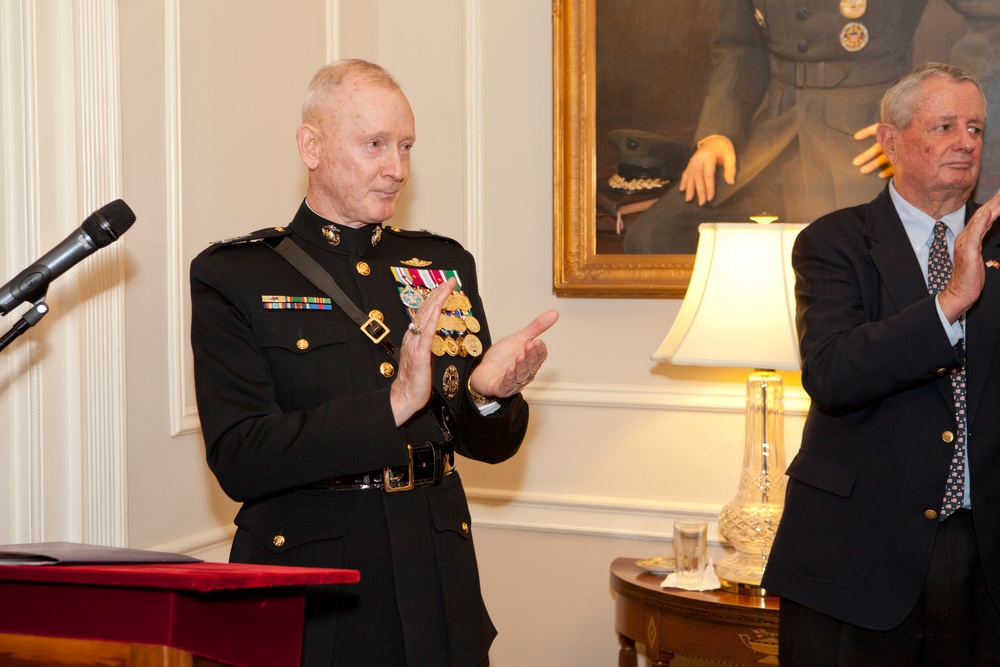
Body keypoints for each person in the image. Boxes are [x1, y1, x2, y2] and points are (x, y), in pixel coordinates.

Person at [189, 59, 558, 666]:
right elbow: (241, 459)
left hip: (436, 569)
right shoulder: (237, 274)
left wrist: (488, 397)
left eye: (406, 145)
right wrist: (392, 406)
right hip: (318, 580)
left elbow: (485, 446)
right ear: (311, 146)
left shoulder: (439, 264)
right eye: (374, 144)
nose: (397, 168)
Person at [760, 63, 1000, 665]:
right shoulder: (833, 243)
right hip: (857, 559)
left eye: (975, 127)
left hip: (983, 556)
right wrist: (948, 306)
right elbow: (834, 374)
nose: (966, 142)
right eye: (944, 125)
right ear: (890, 141)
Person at [624, 0, 1000, 255]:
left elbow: (991, 16)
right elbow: (739, 45)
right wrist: (718, 132)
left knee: (846, 265)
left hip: (870, 142)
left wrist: (934, 120)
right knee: (654, 238)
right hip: (775, 134)